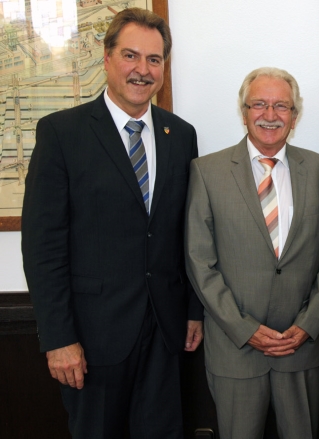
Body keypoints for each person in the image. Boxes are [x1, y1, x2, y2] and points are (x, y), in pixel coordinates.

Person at [21, 8, 203, 439]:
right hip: (91, 339)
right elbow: (42, 246)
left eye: (154, 59)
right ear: (106, 58)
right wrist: (58, 339)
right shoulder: (61, 133)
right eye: (131, 56)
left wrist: (194, 311)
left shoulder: (181, 135)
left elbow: (189, 232)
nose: (143, 70)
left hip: (165, 333)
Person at [185, 67, 319, 439]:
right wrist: (244, 328)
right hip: (234, 348)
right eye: (259, 104)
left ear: (295, 115)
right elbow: (199, 261)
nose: (270, 115)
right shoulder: (207, 172)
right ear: (244, 112)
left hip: (300, 346)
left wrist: (307, 325)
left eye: (281, 106)